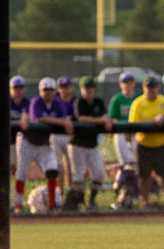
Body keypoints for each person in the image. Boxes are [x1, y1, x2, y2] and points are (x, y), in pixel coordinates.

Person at [18, 77, 73, 213]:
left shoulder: (58, 103)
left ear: (55, 91)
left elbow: (65, 119)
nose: (47, 93)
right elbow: (39, 118)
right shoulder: (36, 101)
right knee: (22, 173)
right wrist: (61, 122)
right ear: (40, 91)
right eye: (45, 90)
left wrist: (65, 121)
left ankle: (51, 205)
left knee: (52, 170)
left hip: (43, 144)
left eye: (50, 90)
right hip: (28, 142)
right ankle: (18, 204)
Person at [128, 73, 164, 208]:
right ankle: (146, 203)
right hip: (144, 144)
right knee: (145, 176)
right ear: (144, 88)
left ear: (157, 88)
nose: (151, 90)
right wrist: (151, 123)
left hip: (161, 144)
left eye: (153, 87)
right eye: (148, 87)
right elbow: (133, 124)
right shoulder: (138, 103)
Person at [70, 76, 112, 210]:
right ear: (81, 90)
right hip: (77, 144)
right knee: (79, 176)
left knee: (99, 174)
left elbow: (105, 116)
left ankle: (92, 202)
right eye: (85, 89)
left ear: (94, 90)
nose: (88, 91)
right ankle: (81, 203)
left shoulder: (98, 102)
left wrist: (107, 120)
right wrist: (101, 121)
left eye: (90, 88)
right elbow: (82, 118)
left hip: (92, 145)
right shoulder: (79, 102)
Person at [108, 71, 139, 169]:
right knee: (119, 136)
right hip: (121, 132)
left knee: (138, 162)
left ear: (134, 84)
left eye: (130, 83)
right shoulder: (116, 99)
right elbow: (112, 119)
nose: (127, 85)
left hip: (136, 132)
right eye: (125, 83)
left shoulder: (138, 99)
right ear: (121, 85)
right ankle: (126, 167)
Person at [9, 75, 30, 212]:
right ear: (10, 89)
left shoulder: (27, 102)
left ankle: (18, 203)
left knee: (19, 171)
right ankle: (8, 201)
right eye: (15, 88)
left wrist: (21, 119)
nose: (18, 91)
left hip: (22, 140)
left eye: (21, 88)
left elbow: (26, 118)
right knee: (8, 170)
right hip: (8, 140)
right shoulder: (6, 101)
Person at [53, 76, 76, 187]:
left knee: (71, 164)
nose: (64, 90)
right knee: (57, 165)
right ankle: (59, 190)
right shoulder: (55, 101)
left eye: (66, 87)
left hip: (70, 135)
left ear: (71, 88)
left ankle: (69, 188)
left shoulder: (75, 101)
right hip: (56, 135)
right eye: (62, 87)